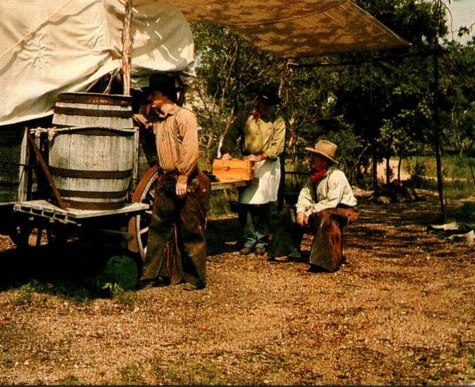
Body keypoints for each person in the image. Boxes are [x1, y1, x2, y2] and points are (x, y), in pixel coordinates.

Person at [134, 73, 210, 291]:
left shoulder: (185, 117)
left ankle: (196, 279)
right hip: (166, 179)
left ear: (162, 94)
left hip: (184, 180)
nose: (150, 98)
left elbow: (190, 149)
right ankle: (150, 276)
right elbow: (158, 133)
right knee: (158, 229)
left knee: (191, 230)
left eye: (152, 94)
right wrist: (145, 122)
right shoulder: (161, 120)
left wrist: (184, 177)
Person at [271, 139, 359, 272]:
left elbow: (332, 202)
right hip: (320, 208)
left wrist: (309, 212)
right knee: (288, 212)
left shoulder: (337, 176)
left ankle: (323, 261)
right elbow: (305, 196)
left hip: (343, 210)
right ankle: (287, 251)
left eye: (315, 157)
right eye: (311, 157)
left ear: (324, 161)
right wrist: (301, 211)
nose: (310, 160)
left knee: (326, 216)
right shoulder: (314, 176)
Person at [220, 84, 285, 255]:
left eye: (269, 104)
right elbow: (231, 134)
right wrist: (226, 151)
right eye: (263, 103)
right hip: (247, 163)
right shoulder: (245, 117)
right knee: (245, 203)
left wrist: (260, 157)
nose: (265, 107)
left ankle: (261, 241)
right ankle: (249, 239)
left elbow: (277, 146)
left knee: (266, 204)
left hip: (268, 164)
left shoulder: (277, 120)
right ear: (258, 101)